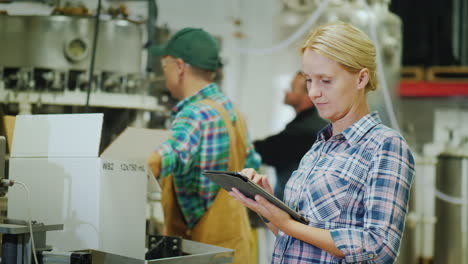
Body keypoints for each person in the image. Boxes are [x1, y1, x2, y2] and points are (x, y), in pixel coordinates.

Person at [229, 22, 415, 264]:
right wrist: (267, 210)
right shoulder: (320, 146)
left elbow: (378, 248)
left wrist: (286, 223)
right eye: (308, 80)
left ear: (361, 79)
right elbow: (296, 243)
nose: (313, 92)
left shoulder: (385, 146)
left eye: (325, 80)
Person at [147, 28, 261, 264]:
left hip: (202, 252)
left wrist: (136, 167)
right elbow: (252, 165)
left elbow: (171, 155)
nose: (164, 74)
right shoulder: (230, 110)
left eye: (165, 67)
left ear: (179, 67)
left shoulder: (194, 114)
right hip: (237, 246)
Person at [254, 72, 327, 201]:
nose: (286, 91)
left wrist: (241, 141)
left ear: (309, 96)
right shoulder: (312, 124)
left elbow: (266, 150)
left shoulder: (305, 129)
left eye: (292, 89)